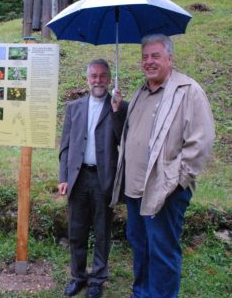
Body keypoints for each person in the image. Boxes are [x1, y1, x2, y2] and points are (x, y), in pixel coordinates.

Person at [110, 34, 215, 298]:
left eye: (155, 56)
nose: (149, 62)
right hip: (135, 189)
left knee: (162, 249)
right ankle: (142, 293)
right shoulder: (141, 92)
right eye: (145, 57)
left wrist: (177, 180)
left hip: (165, 190)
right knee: (140, 245)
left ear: (170, 58)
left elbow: (200, 143)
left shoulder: (188, 91)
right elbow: (138, 131)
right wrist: (120, 107)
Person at [58, 59, 128, 298]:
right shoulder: (74, 108)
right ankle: (78, 276)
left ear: (109, 79)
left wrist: (118, 113)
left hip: (103, 179)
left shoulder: (118, 106)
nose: (98, 80)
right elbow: (65, 146)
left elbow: (123, 141)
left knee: (102, 231)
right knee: (76, 231)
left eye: (103, 76)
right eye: (94, 76)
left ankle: (97, 278)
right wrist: (63, 177)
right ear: (87, 79)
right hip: (78, 179)